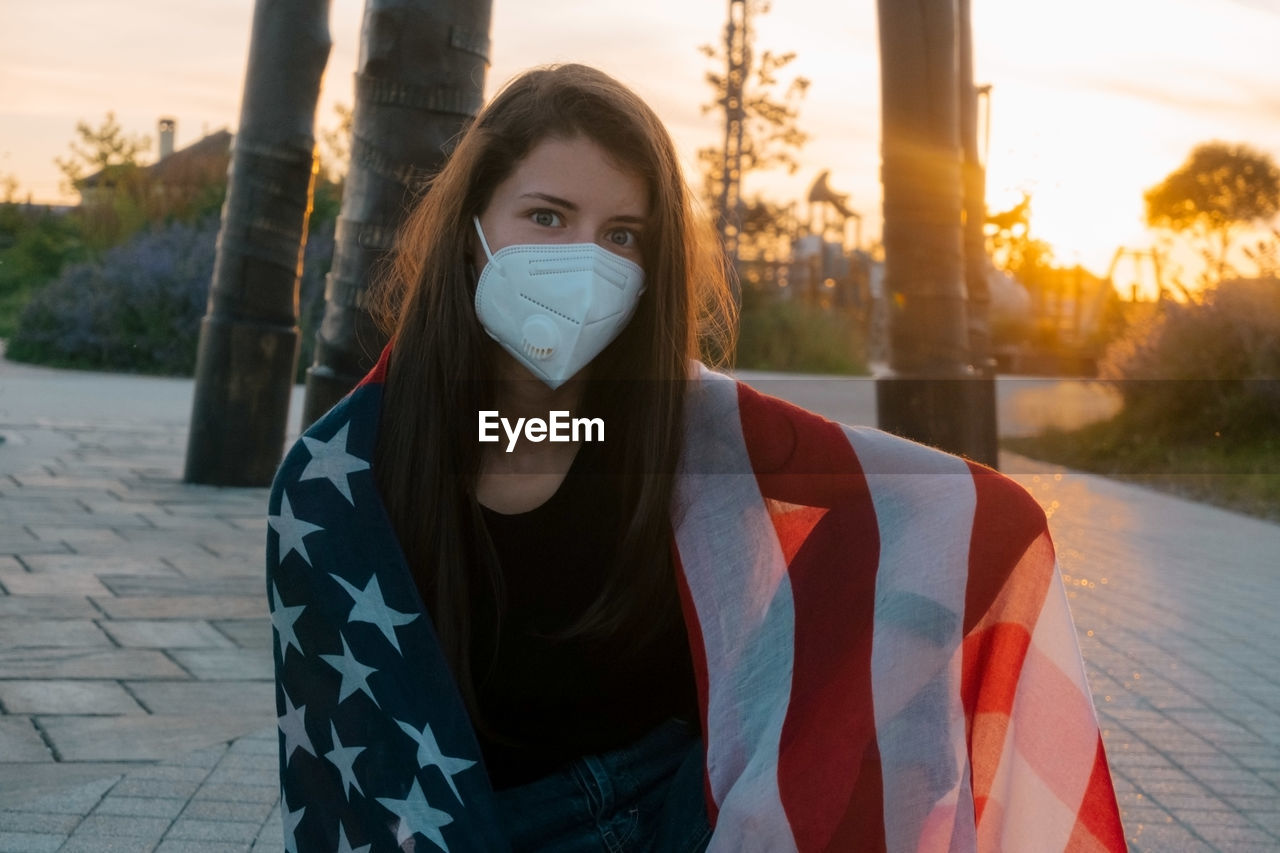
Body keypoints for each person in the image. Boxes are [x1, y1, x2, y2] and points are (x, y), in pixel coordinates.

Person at [268, 64, 1125, 852]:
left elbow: (922, 511)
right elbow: (357, 771)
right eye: (547, 216)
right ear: (470, 231)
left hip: (682, 813)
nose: (585, 259)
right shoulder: (342, 481)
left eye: (623, 236)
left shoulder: (692, 429)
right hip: (481, 828)